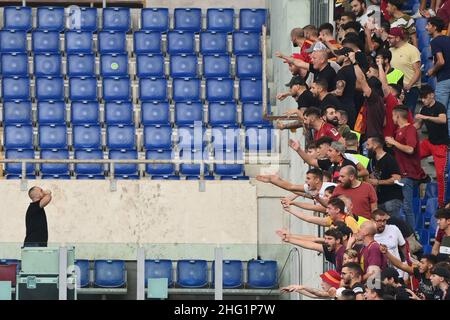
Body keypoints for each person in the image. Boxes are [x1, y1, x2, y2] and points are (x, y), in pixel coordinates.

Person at [386, 106, 428, 230]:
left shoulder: (410, 129)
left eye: (393, 116)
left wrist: (394, 143)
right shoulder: (400, 130)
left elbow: (410, 149)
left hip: (408, 173)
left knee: (407, 206)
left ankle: (412, 235)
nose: (392, 118)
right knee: (401, 206)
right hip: (401, 174)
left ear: (398, 116)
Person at [415, 85, 449, 208]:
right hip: (430, 143)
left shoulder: (440, 106)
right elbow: (417, 126)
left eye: (425, 98)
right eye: (421, 98)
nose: (423, 100)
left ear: (431, 95)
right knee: (412, 155)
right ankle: (423, 176)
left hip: (441, 145)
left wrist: (425, 117)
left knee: (440, 175)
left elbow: (443, 120)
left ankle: (441, 204)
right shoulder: (423, 109)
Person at [366, 136, 403, 218]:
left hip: (391, 199)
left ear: (375, 145)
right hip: (379, 200)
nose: (366, 147)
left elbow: (397, 178)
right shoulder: (372, 160)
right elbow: (370, 176)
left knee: (393, 225)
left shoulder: (389, 159)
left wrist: (378, 182)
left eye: (368, 145)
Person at [276, 228, 346, 272]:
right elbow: (310, 245)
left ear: (338, 241)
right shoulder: (331, 249)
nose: (326, 241)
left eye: (329, 239)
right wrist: (289, 239)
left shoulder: (342, 253)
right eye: (325, 238)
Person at [388, 27, 421, 113]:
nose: (388, 40)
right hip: (394, 89)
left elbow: (417, 71)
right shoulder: (390, 50)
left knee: (407, 115)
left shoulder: (412, 50)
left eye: (390, 38)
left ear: (398, 38)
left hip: (410, 89)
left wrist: (409, 85)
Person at [426, 16, 450, 136]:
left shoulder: (435, 41)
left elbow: (441, 61)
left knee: (440, 110)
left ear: (434, 27)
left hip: (444, 79)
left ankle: (439, 138)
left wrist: (431, 71)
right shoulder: (448, 39)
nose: (426, 27)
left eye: (428, 25)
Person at [283, 197, 360, 233]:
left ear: (337, 210)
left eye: (329, 208)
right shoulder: (330, 219)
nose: (326, 211)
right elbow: (308, 218)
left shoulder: (349, 220)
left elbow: (357, 239)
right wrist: (289, 210)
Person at [372, 210, 407, 278]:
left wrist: (405, 263)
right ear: (372, 221)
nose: (382, 224)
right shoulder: (370, 234)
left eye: (384, 220)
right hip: (379, 274)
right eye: (379, 221)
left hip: (397, 271)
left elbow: (403, 246)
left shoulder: (394, 229)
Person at [332, 47, 357, 126]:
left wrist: (326, 94)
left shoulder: (342, 72)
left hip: (342, 110)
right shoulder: (356, 69)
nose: (337, 56)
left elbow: (339, 92)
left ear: (346, 57)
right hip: (353, 107)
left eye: (339, 55)